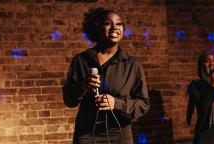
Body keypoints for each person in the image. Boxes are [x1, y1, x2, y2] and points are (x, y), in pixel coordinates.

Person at [63, 7, 150, 144]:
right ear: (97, 28)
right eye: (108, 23)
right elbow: (69, 100)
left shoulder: (133, 65)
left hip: (120, 134)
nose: (115, 27)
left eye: (119, 23)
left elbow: (143, 105)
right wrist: (83, 86)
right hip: (87, 133)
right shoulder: (81, 60)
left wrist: (117, 103)